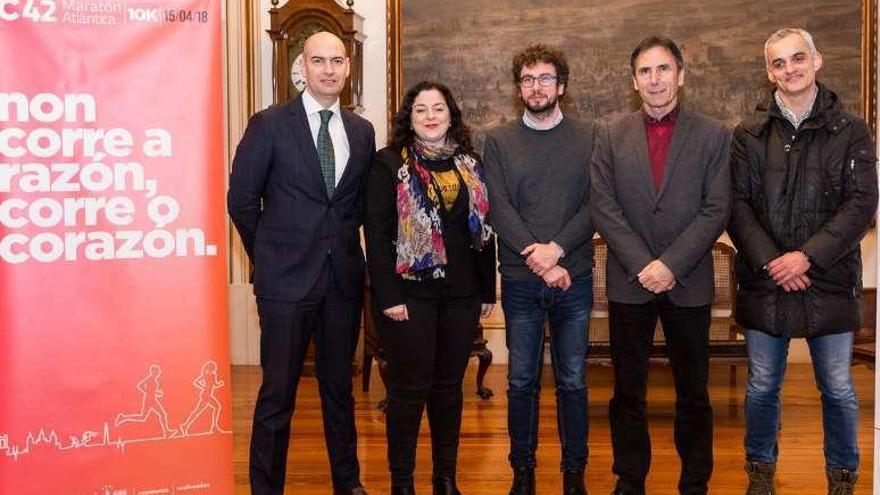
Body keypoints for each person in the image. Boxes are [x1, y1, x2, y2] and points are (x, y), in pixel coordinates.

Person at [727, 28, 878, 495]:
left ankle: (842, 478)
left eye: (798, 59)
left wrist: (806, 258)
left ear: (817, 60)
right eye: (778, 63)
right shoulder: (748, 134)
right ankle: (760, 474)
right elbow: (736, 205)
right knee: (761, 387)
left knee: (837, 387)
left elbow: (862, 204)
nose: (789, 69)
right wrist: (776, 262)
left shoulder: (851, 131)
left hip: (829, 280)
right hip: (765, 279)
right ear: (768, 71)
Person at [227, 31, 375, 495]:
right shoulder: (269, 124)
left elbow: (353, 209)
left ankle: (348, 484)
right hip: (284, 285)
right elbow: (242, 201)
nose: (328, 69)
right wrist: (270, 255)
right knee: (277, 396)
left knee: (339, 393)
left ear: (348, 67)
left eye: (336, 61)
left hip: (342, 284)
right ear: (302, 67)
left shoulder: (361, 131)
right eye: (318, 61)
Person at [590, 35, 731, 495]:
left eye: (664, 69)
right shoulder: (609, 135)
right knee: (628, 392)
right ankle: (630, 478)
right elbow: (604, 207)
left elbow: (716, 209)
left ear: (681, 75)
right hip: (630, 283)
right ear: (634, 82)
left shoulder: (713, 135)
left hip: (687, 282)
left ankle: (695, 482)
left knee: (693, 393)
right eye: (646, 71)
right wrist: (642, 264)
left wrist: (669, 265)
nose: (655, 79)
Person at [364, 81, 496, 495]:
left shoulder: (470, 163)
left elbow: (482, 231)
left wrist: (488, 291)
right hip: (409, 295)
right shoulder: (389, 164)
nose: (431, 116)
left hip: (462, 295)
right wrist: (389, 297)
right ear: (410, 117)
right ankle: (402, 483)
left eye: (438, 108)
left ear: (450, 114)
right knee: (409, 389)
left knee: (448, 389)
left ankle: (445, 479)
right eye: (421, 110)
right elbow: (377, 232)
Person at [483, 44, 596, 495]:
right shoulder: (499, 141)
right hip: (520, 281)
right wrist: (540, 258)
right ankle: (523, 473)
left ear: (561, 86)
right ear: (519, 88)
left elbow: (596, 205)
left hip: (576, 278)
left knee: (572, 381)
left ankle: (574, 474)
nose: (536, 86)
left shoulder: (591, 136)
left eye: (545, 78)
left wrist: (558, 250)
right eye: (528, 79)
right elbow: (499, 207)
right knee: (520, 381)